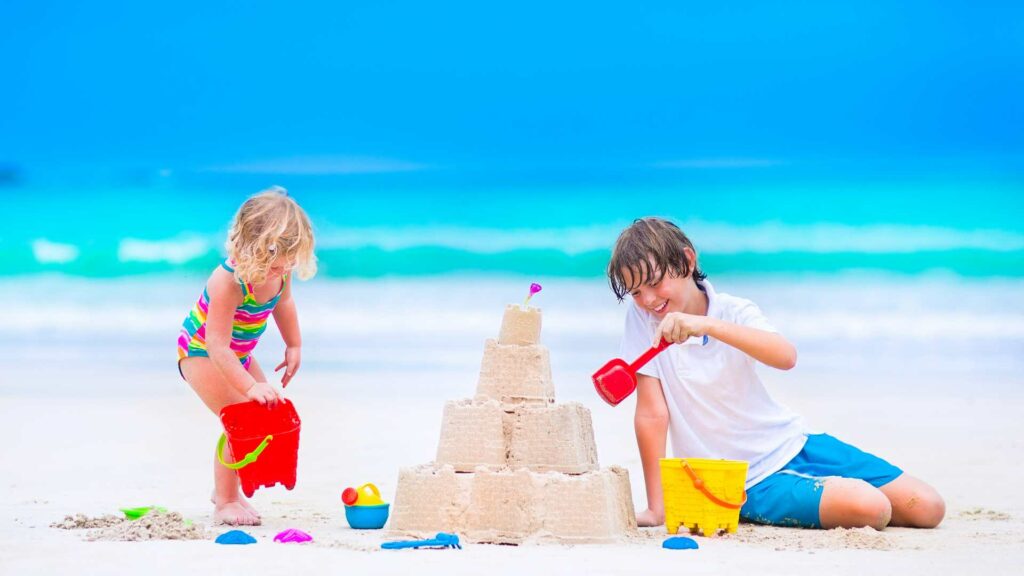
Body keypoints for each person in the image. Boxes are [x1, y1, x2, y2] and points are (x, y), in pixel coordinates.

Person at [608, 217, 944, 530]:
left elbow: (785, 356)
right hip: (742, 480)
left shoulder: (733, 311)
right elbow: (652, 413)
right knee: (872, 508)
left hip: (793, 443)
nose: (648, 299)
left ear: (687, 260)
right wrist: (658, 507)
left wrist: (706, 325)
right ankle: (822, 494)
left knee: (928, 507)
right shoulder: (642, 322)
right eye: (636, 292)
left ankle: (824, 489)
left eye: (654, 282)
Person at [177, 187, 316, 526]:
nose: (279, 271)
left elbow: (284, 304)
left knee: (263, 418)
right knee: (242, 419)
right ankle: (224, 500)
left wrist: (293, 344)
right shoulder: (227, 282)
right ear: (245, 248)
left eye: (287, 264)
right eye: (271, 264)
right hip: (201, 352)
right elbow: (217, 346)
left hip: (236, 353)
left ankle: (226, 490)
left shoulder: (279, 274)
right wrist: (250, 386)